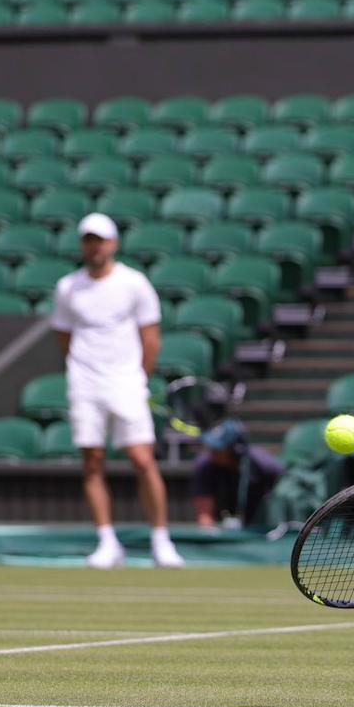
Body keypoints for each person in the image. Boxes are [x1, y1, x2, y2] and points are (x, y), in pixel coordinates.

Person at [51, 212, 185, 569]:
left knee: (143, 460)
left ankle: (161, 540)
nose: (94, 246)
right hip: (84, 384)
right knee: (92, 462)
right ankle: (107, 542)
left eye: (100, 239)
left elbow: (150, 338)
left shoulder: (134, 283)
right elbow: (65, 337)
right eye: (88, 240)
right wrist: (83, 371)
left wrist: (138, 377)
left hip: (126, 381)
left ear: (113, 243)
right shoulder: (68, 287)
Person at [191, 419, 285, 528]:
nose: (212, 451)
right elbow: (204, 516)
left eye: (218, 448)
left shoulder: (264, 464)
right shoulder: (203, 466)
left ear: (235, 450)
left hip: (261, 528)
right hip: (220, 528)